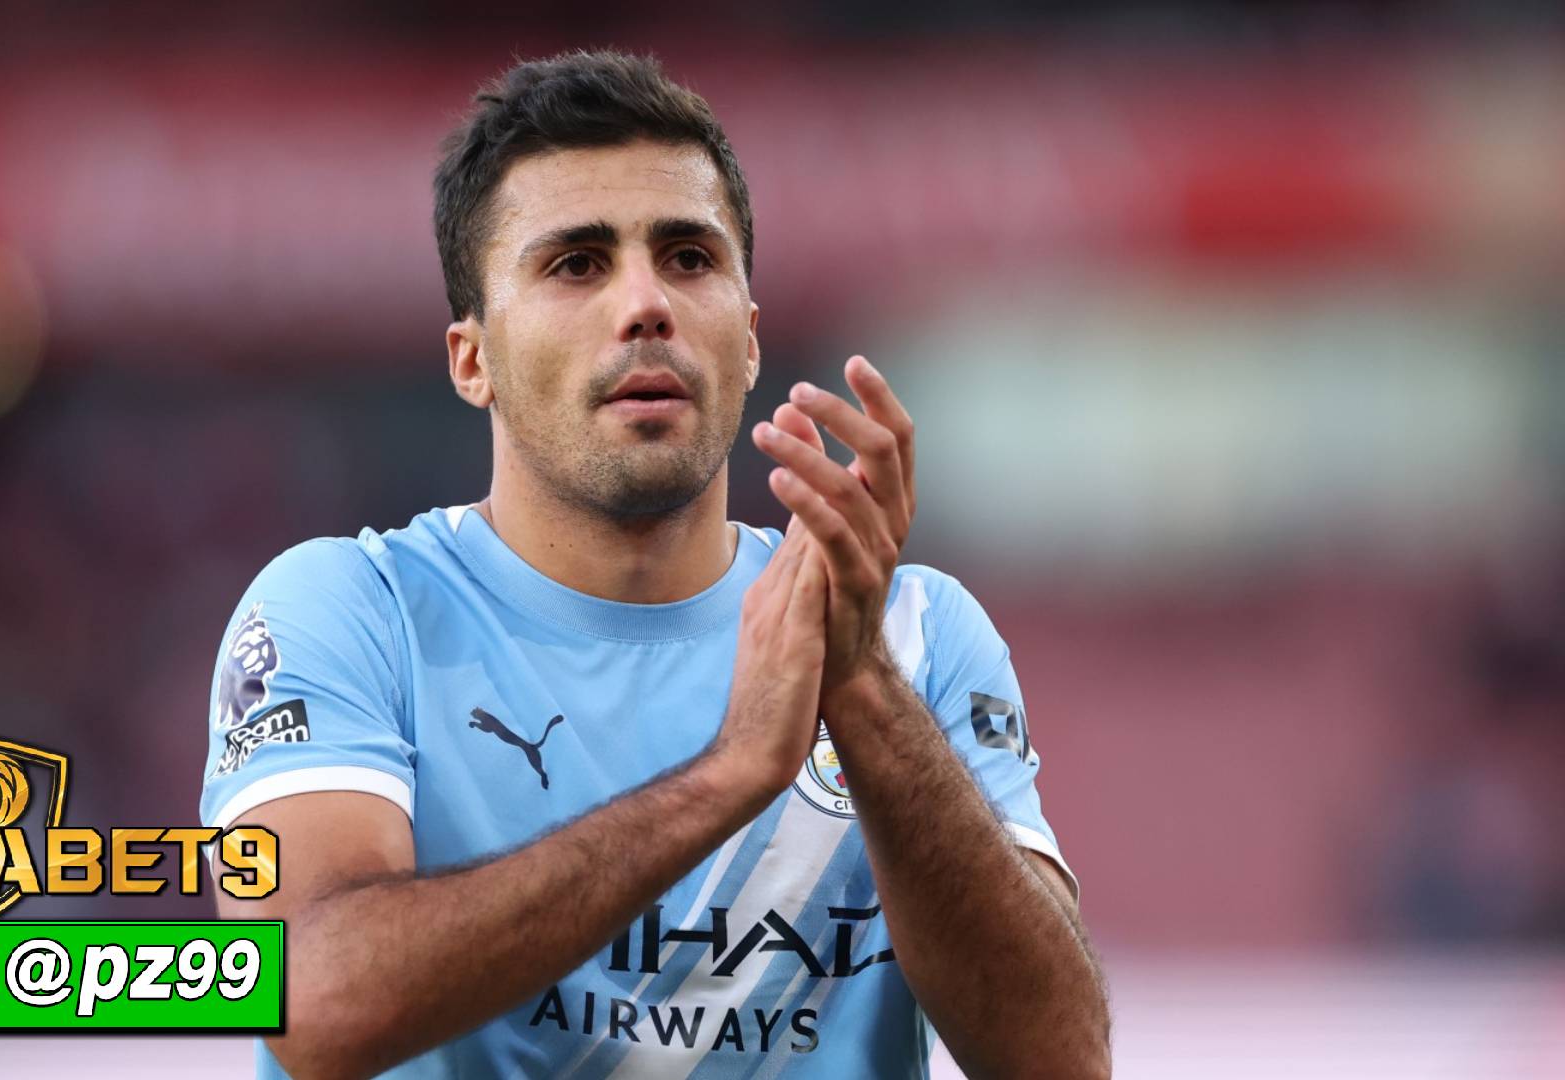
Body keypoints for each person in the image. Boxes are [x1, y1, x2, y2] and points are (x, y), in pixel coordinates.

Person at [204, 49, 1110, 1079]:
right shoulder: (351, 612)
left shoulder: (916, 636)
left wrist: (858, 680)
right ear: (473, 359)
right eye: (576, 264)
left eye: (687, 257)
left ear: (751, 340)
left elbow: (1060, 1061)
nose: (645, 304)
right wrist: (726, 777)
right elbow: (309, 999)